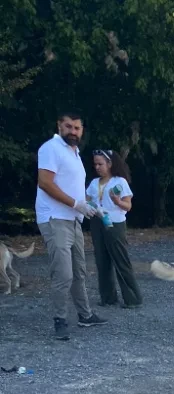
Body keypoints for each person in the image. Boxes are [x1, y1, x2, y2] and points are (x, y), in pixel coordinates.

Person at [36, 110, 107, 340]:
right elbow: (45, 183)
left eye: (77, 128)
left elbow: (74, 189)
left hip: (74, 219)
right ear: (59, 126)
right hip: (55, 218)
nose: (73, 131)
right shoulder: (51, 148)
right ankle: (60, 320)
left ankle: (85, 315)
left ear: (82, 130)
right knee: (64, 273)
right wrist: (76, 204)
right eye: (68, 127)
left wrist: (91, 205)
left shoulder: (74, 153)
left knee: (79, 271)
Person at [86, 149, 142, 308]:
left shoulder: (120, 182)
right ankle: (108, 297)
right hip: (97, 222)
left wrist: (117, 201)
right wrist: (90, 206)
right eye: (95, 164)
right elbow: (87, 199)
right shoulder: (94, 183)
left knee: (120, 259)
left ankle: (133, 299)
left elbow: (128, 206)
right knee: (101, 260)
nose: (97, 167)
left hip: (115, 223)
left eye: (100, 164)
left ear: (109, 164)